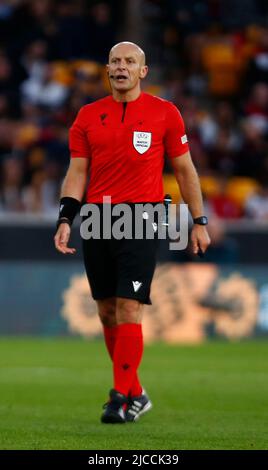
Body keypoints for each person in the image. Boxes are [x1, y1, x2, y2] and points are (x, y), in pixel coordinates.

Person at [54, 41, 210, 424]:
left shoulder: (164, 113)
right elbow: (77, 173)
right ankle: (136, 392)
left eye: (130, 62)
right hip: (96, 218)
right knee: (107, 311)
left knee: (129, 306)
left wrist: (199, 220)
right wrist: (64, 218)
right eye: (115, 61)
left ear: (143, 71)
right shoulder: (88, 116)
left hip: (143, 217)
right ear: (107, 70)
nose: (121, 67)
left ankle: (120, 397)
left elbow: (185, 171)